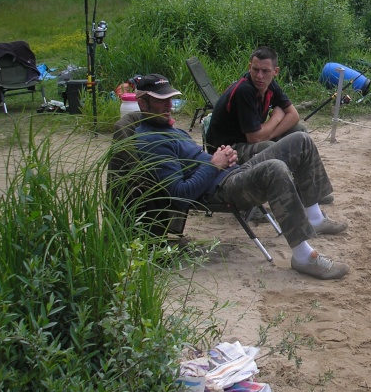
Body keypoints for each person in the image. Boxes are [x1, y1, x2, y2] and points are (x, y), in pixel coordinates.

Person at [133, 74, 349, 280]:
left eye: (170, 99)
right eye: (161, 101)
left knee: (300, 139)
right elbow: (180, 195)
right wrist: (214, 165)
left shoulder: (171, 130)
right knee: (274, 169)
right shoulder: (151, 141)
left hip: (229, 173)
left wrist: (224, 158)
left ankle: (316, 218)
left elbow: (198, 162)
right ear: (143, 104)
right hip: (219, 190)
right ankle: (303, 257)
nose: (169, 106)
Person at [205, 46, 306, 161]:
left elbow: (294, 115)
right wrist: (277, 117)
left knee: (299, 131)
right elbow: (255, 138)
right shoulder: (244, 90)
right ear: (249, 68)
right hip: (227, 148)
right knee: (269, 148)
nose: (259, 76)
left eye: (265, 71)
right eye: (255, 69)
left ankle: (297, 175)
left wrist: (268, 135)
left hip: (249, 140)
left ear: (275, 71)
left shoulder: (270, 85)